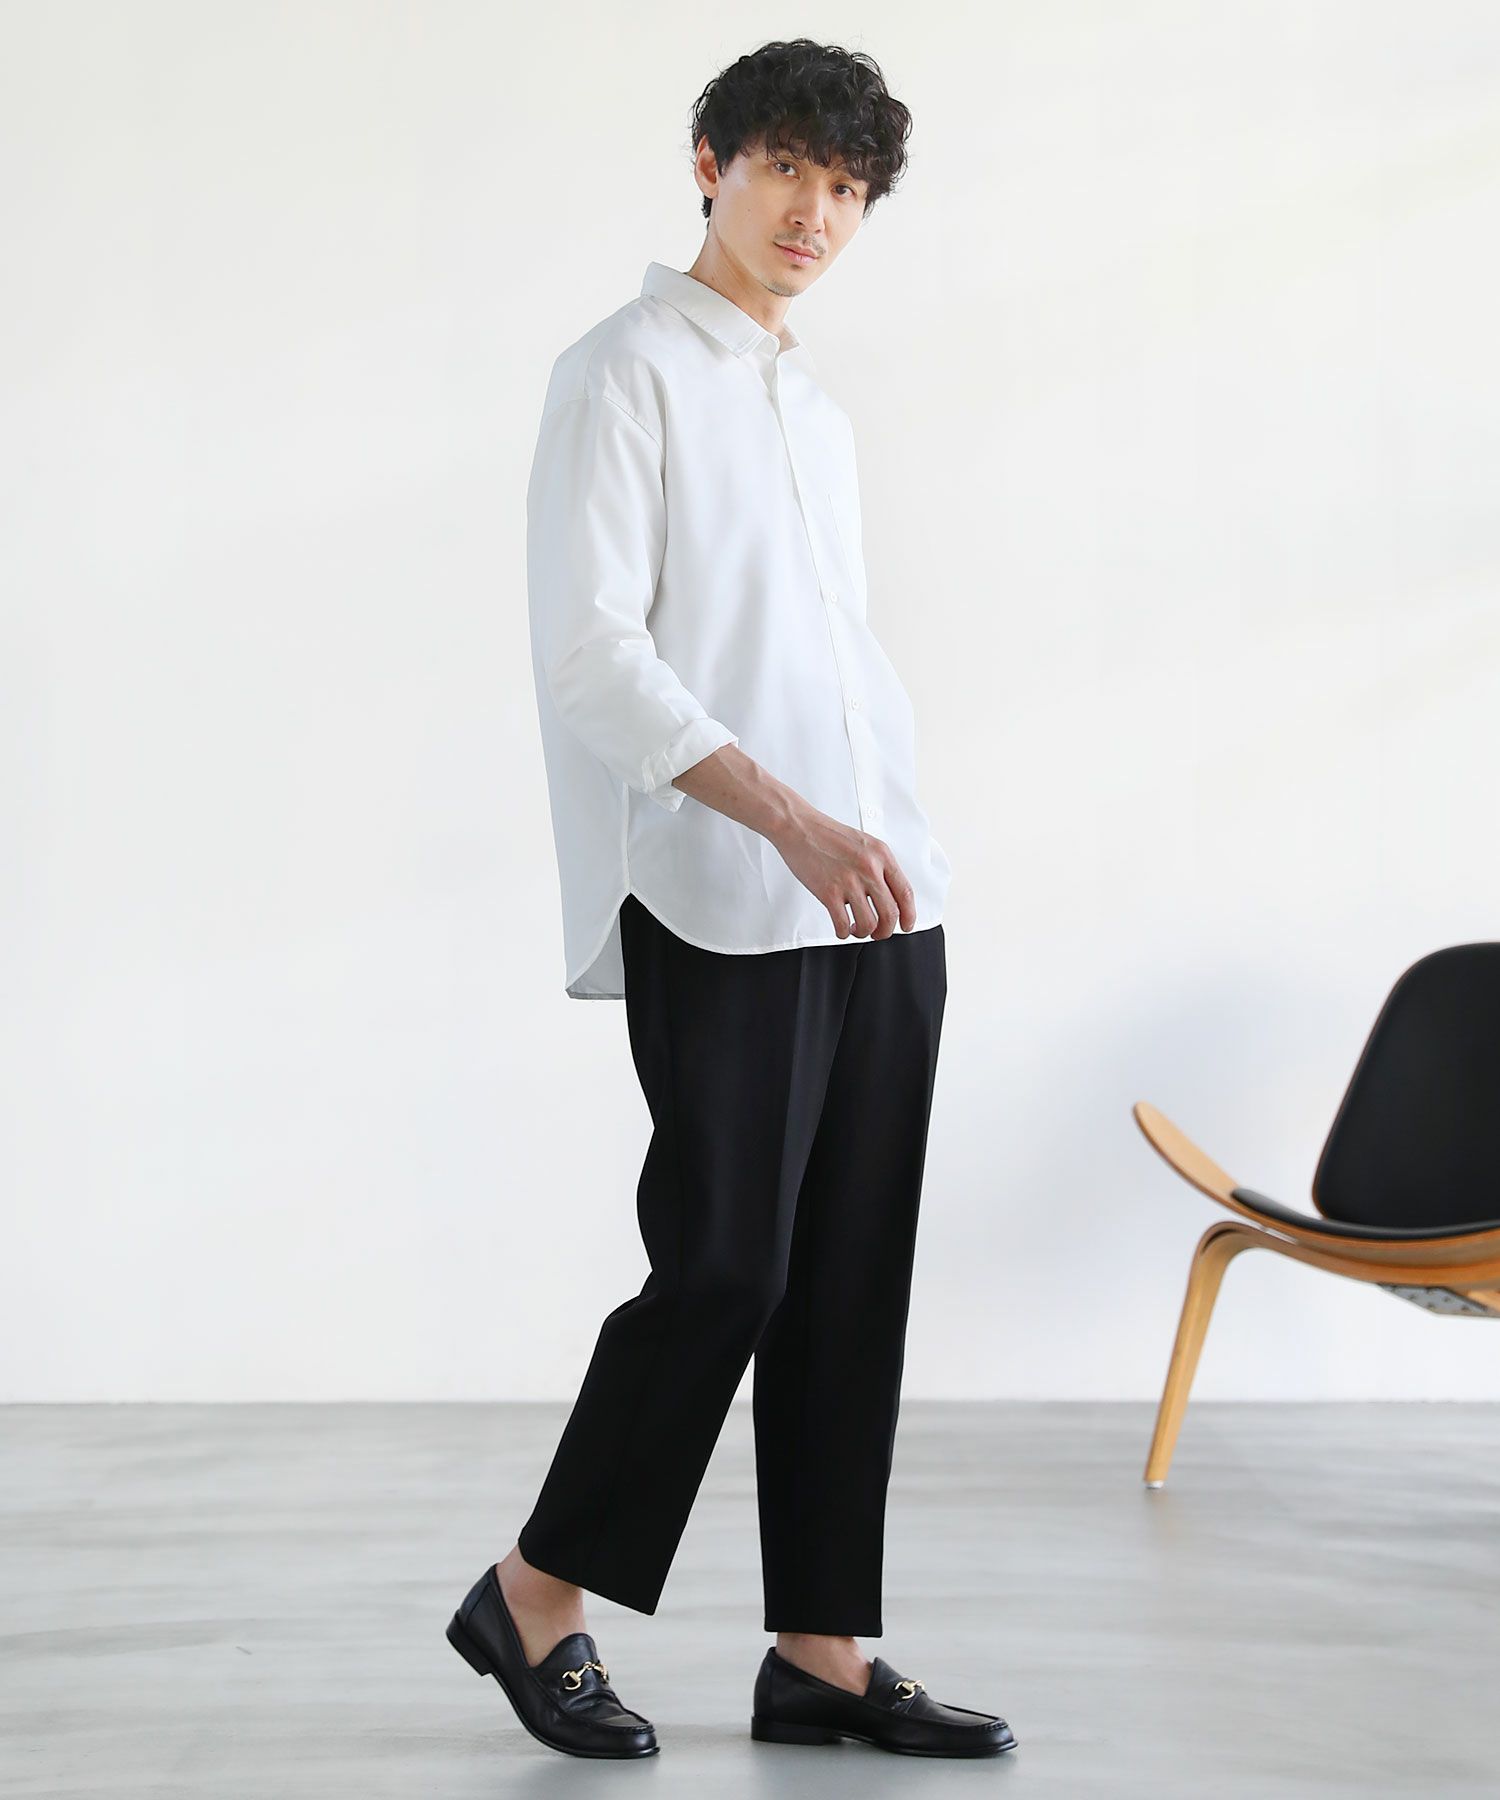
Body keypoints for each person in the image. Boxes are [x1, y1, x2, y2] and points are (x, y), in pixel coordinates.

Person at [446, 37, 1016, 1761]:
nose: (815, 214)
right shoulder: (620, 374)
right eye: (786, 170)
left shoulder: (811, 410)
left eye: (846, 189)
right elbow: (592, 658)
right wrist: (788, 823)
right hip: (723, 891)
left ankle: (821, 1652)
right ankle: (533, 1596)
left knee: (848, 1272)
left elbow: (823, 654)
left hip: (881, 894)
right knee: (723, 1267)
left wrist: (878, 832)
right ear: (711, 162)